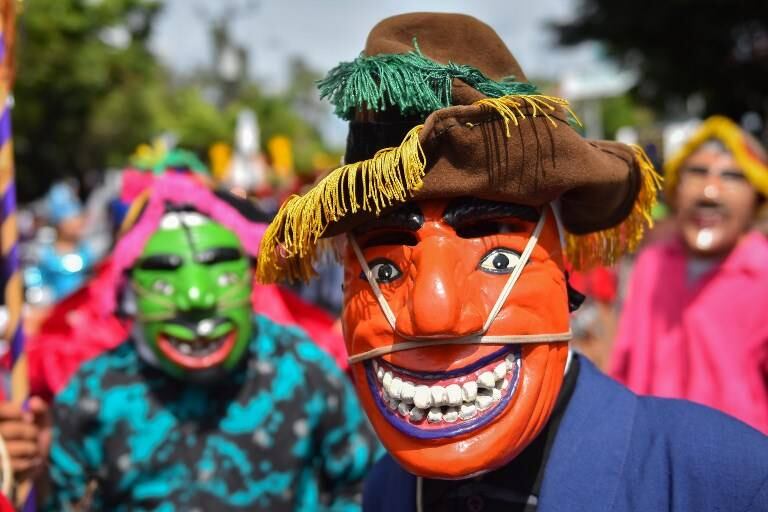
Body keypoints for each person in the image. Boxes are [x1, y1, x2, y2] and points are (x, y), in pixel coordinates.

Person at [257, 13, 768, 511]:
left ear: (564, 270)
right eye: (384, 270)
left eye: (499, 259)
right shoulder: (386, 491)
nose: (434, 315)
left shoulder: (725, 478)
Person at [31, 173, 379, 510]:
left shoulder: (301, 369)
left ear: (248, 279)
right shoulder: (96, 393)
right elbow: (62, 500)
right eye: (164, 279)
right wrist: (36, 475)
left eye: (220, 271)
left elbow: (365, 483)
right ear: (131, 293)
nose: (196, 298)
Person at [610, 116, 768, 433]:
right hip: (651, 445)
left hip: (738, 453)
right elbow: (624, 361)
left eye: (732, 175)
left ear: (756, 200)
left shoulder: (763, 273)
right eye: (697, 172)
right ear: (675, 192)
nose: (710, 190)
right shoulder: (652, 264)